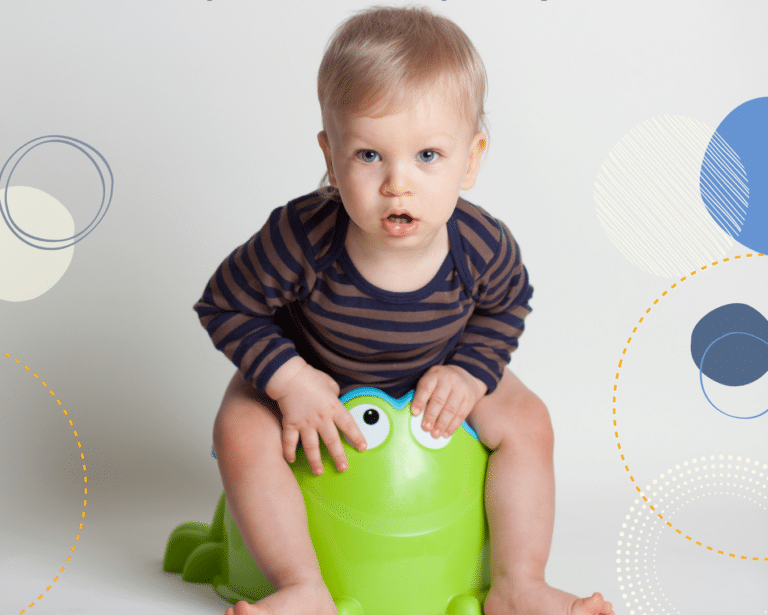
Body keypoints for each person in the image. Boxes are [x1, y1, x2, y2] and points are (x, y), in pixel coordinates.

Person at [194, 6, 614, 615]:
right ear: (330, 156)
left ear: (470, 159)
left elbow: (507, 308)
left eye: (427, 156)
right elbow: (227, 304)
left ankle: (517, 582)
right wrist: (290, 381)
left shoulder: (482, 246)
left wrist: (470, 370)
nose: (398, 183)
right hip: (314, 375)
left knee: (530, 421)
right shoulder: (301, 236)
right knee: (237, 429)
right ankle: (302, 586)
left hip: (436, 371)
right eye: (368, 155)